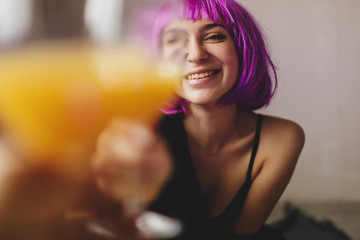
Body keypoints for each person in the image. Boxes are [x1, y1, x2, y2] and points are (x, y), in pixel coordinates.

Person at [93, 0, 305, 239]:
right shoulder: (136, 133)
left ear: (244, 47)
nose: (195, 55)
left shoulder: (282, 139)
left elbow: (243, 235)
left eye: (214, 36)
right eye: (174, 39)